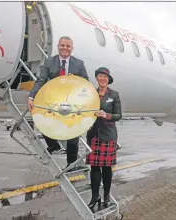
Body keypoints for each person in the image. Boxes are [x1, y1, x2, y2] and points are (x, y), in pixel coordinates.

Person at [27, 36, 89, 171]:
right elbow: (41, 80)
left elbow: (86, 83)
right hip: (54, 100)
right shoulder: (49, 62)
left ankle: (71, 163)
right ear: (58, 46)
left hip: (72, 101)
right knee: (40, 120)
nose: (65, 48)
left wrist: (76, 81)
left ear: (72, 49)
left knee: (73, 133)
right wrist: (32, 96)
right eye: (63, 45)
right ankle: (53, 144)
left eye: (68, 46)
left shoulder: (79, 64)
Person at [86, 67, 122, 210]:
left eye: (105, 77)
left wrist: (106, 115)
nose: (103, 79)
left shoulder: (114, 94)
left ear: (108, 79)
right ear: (97, 78)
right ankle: (95, 197)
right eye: (100, 76)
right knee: (94, 168)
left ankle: (106, 195)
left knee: (107, 168)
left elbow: (118, 115)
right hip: (94, 134)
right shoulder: (91, 94)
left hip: (108, 135)